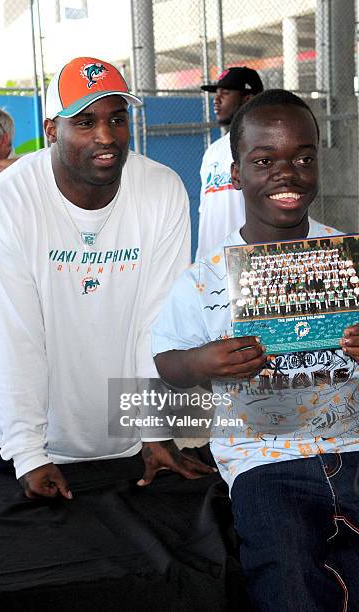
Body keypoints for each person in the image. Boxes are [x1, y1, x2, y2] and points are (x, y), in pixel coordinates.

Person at [152, 90, 359, 610]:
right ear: (236, 174)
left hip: (354, 447)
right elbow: (166, 364)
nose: (286, 173)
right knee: (288, 577)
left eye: (303, 158)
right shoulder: (204, 280)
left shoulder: (349, 258)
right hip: (264, 462)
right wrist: (202, 362)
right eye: (265, 161)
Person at [0, 57, 213, 500]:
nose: (106, 136)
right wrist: (27, 451)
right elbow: (14, 334)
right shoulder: (6, 202)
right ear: (51, 130)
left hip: (126, 438)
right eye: (84, 121)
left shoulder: (162, 189)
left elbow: (157, 324)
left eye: (116, 118)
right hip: (19, 442)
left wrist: (156, 426)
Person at [196, 67, 263, 260]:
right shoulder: (213, 151)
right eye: (216, 94)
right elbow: (206, 212)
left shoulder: (264, 146)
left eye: (225, 93)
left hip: (248, 261)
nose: (216, 100)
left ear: (247, 99)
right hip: (210, 264)